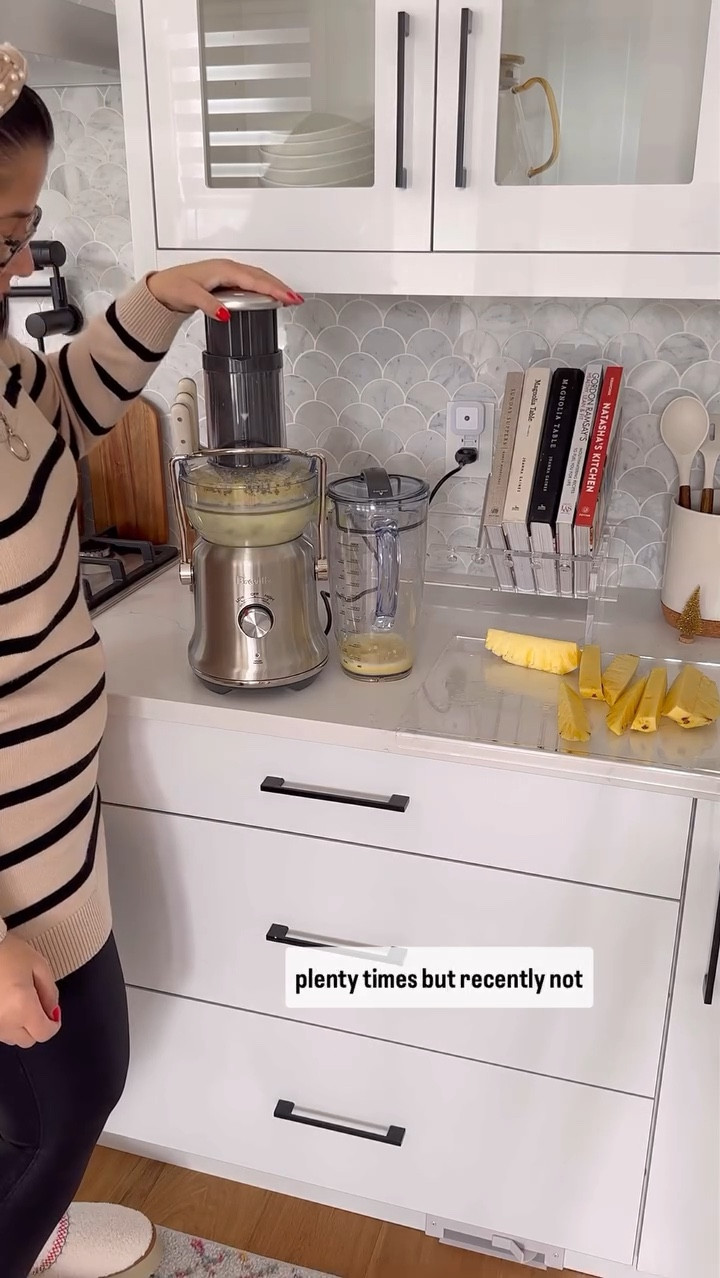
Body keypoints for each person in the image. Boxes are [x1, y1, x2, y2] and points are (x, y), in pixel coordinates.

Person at [0, 42, 300, 1278]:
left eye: (21, 228)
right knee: (62, 1104)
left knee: (58, 1101)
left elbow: (56, 408)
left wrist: (162, 298)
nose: (15, 266)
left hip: (49, 833)